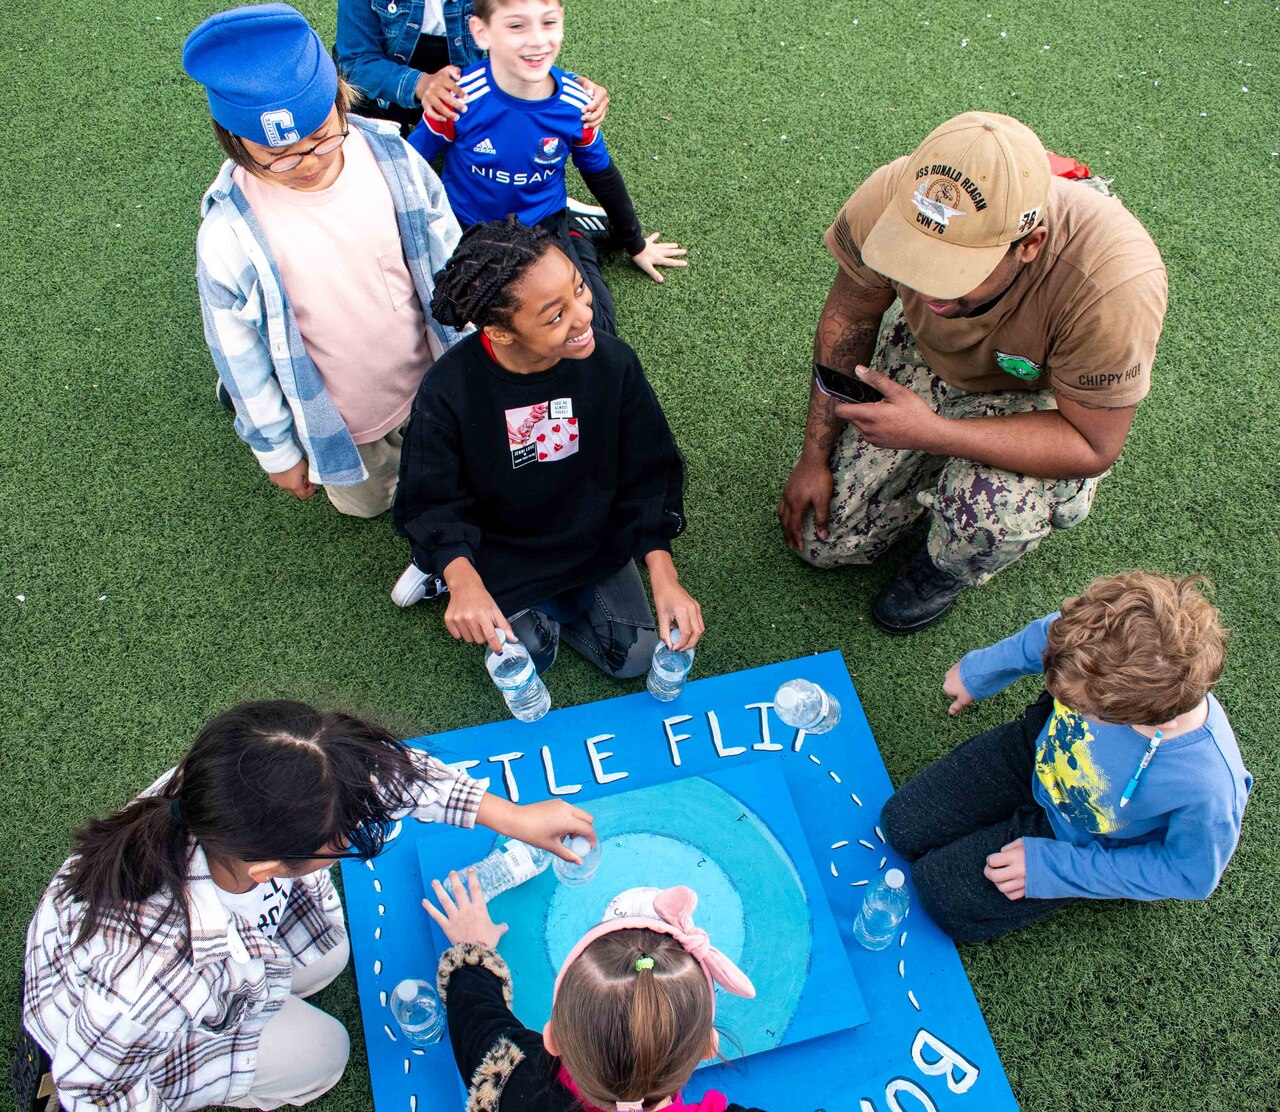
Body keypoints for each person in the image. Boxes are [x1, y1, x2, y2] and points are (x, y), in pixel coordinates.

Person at [21, 700, 595, 1111]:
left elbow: (381, 780)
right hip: (115, 1045)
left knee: (328, 958)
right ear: (268, 869)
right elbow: (94, 1088)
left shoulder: (241, 789)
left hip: (222, 961)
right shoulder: (153, 980)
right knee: (326, 1055)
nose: (361, 828)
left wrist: (511, 817)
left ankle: (259, 1000)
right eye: (340, 842)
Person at [777, 112, 1168, 634]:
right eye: (916, 259)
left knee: (991, 515)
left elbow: (1094, 444)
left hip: (1034, 398)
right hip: (931, 356)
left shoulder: (1112, 285)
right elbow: (850, 315)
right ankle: (925, 460)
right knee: (823, 542)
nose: (929, 290)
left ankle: (943, 568)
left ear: (1028, 245)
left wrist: (931, 433)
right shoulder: (894, 192)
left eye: (955, 270)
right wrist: (814, 454)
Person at [187, 4, 462, 519]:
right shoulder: (228, 237)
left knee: (441, 459)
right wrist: (277, 452)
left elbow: (445, 246)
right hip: (341, 414)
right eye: (281, 156)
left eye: (321, 139)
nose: (308, 162)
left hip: (427, 373)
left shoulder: (392, 159)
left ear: (342, 101)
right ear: (235, 143)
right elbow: (236, 351)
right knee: (368, 505)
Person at [390, 218, 701, 672]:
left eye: (579, 289)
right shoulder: (448, 389)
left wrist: (664, 573)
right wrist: (461, 575)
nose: (584, 315)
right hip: (502, 546)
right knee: (530, 654)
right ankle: (441, 576)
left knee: (635, 660)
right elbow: (431, 498)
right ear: (499, 332)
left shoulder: (613, 363)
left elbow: (649, 469)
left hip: (594, 536)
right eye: (555, 315)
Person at [879, 573, 1251, 943]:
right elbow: (1049, 636)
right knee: (900, 825)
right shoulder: (1098, 635)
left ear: (1144, 717)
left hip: (1079, 836)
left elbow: (1189, 874)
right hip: (1034, 754)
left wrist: (1057, 869)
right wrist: (978, 673)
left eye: (1082, 706)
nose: (1066, 701)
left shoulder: (1209, 785)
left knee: (943, 897)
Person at [404, 0, 686, 339]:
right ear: (481, 31)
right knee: (469, 326)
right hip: (470, 227)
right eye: (516, 26)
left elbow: (601, 173)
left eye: (548, 22)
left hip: (544, 225)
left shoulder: (577, 104)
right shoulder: (458, 97)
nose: (536, 40)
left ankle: (579, 236)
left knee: (593, 331)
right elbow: (410, 165)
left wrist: (636, 244)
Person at [423, 874, 765, 1111]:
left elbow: (476, 1015)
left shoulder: (512, 1080)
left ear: (553, 1037)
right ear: (709, 1045)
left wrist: (474, 948)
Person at [335, 0, 610, 137]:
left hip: (463, 93)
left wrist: (567, 86)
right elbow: (356, 62)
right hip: (377, 92)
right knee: (373, 180)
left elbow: (518, 41)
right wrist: (422, 85)